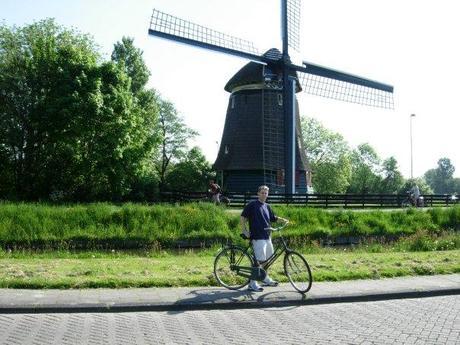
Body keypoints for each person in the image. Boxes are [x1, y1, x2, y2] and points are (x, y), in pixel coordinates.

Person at [240, 185, 288, 292]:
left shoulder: (267, 206)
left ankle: (265, 278)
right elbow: (243, 217)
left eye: (266, 193)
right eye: (262, 192)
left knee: (267, 260)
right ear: (258, 193)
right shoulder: (252, 204)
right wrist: (244, 231)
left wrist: (283, 220)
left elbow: (273, 218)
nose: (264, 194)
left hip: (267, 236)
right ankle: (252, 283)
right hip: (257, 237)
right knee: (259, 260)